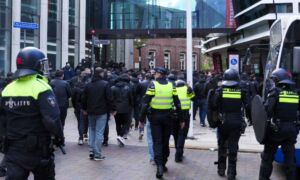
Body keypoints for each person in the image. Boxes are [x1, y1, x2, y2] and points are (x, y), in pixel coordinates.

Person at [0, 47, 64, 179]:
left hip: (13, 148)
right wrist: (59, 137)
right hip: (39, 150)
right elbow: (52, 119)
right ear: (36, 65)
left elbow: (2, 119)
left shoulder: (8, 89)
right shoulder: (42, 87)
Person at [139, 67, 182, 179]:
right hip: (168, 117)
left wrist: (141, 120)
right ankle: (163, 163)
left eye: (156, 73)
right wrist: (181, 119)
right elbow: (177, 103)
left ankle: (159, 166)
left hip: (155, 118)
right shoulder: (171, 86)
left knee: (157, 142)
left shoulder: (153, 85)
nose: (154, 74)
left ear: (160, 74)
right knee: (165, 141)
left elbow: (145, 103)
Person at [259, 68, 299, 180]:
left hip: (276, 130)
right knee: (290, 160)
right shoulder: (296, 94)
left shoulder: (275, 92)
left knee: (267, 158)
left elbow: (267, 111)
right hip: (291, 130)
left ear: (278, 80)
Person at [209, 68, 248, 180]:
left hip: (223, 122)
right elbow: (248, 105)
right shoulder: (241, 91)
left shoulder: (220, 90)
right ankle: (232, 173)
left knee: (222, 146)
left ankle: (221, 170)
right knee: (233, 148)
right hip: (236, 122)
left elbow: (213, 106)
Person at [81, 68, 114, 161]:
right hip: (102, 111)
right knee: (99, 132)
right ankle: (97, 154)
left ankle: (91, 151)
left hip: (91, 111)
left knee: (92, 130)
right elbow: (109, 98)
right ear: (101, 73)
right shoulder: (105, 84)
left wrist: (84, 109)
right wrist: (113, 109)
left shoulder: (88, 85)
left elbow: (84, 98)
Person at [173, 79, 195, 162]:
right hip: (185, 114)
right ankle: (179, 154)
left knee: (175, 134)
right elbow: (193, 98)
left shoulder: (173, 89)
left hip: (174, 114)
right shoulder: (187, 89)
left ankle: (177, 150)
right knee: (182, 134)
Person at [111, 74, 134, 147]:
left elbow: (111, 99)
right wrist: (131, 105)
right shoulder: (128, 88)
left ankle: (119, 136)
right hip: (126, 108)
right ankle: (120, 135)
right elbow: (131, 98)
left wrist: (112, 109)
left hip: (116, 109)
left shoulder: (113, 88)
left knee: (118, 123)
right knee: (126, 123)